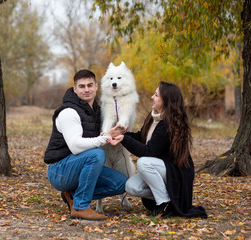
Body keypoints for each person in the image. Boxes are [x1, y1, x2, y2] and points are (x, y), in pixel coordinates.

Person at [108, 81, 207, 218]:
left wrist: (124, 140)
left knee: (143, 162)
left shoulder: (168, 124)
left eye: (156, 95)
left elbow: (148, 151)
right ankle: (171, 197)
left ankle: (164, 203)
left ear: (166, 101)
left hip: (175, 171)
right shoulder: (153, 117)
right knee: (131, 186)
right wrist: (121, 134)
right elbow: (141, 137)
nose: (152, 97)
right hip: (159, 168)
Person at [44, 69, 128, 221]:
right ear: (75, 89)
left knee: (121, 183)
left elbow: (101, 135)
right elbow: (76, 146)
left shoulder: (96, 111)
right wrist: (105, 138)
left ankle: (73, 195)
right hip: (59, 170)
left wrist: (112, 134)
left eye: (90, 85)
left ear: (96, 86)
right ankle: (80, 206)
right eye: (82, 86)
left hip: (80, 166)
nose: (87, 89)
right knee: (97, 154)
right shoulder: (69, 112)